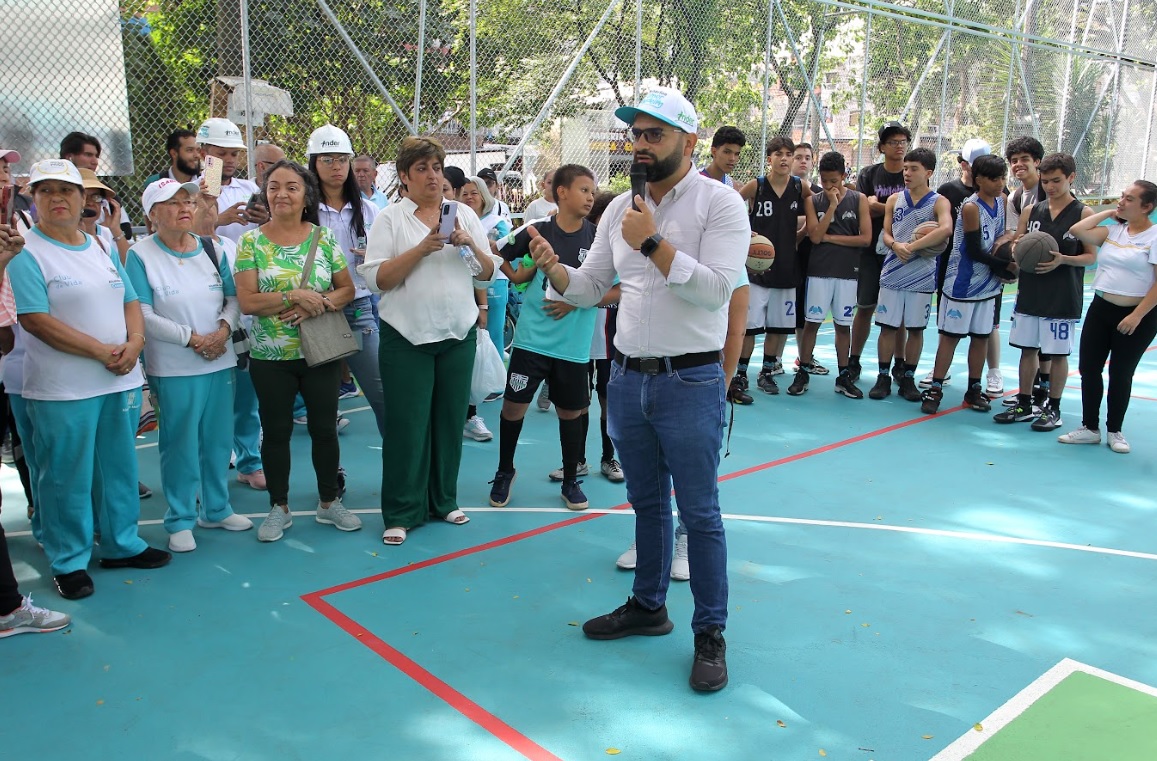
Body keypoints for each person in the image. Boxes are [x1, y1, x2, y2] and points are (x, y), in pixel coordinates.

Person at [531, 87, 748, 692]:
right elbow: (588, 286)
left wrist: (652, 240)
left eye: (655, 134)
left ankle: (710, 632)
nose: (642, 144)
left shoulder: (720, 204)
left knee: (699, 513)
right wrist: (553, 267)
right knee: (648, 503)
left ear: (689, 141)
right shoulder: (614, 210)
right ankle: (648, 605)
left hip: (691, 379)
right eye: (637, 133)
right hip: (626, 378)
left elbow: (713, 290)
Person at [8, 159, 171, 600]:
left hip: (117, 380)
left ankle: (121, 543)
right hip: (62, 388)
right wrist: (101, 351)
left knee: (118, 467)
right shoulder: (26, 251)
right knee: (65, 475)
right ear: (33, 198)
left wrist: (134, 342)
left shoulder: (98, 244)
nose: (57, 199)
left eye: (67, 190)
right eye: (45, 191)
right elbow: (36, 319)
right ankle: (69, 560)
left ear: (84, 199)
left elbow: (131, 300)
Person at [357, 136, 498, 546]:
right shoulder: (390, 219)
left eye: (436, 168)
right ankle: (401, 511)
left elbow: (486, 275)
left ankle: (443, 500)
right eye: (422, 169)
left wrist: (470, 245)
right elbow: (378, 278)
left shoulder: (465, 217)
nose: (433, 176)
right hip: (407, 337)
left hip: (457, 335)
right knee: (406, 426)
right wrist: (422, 248)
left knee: (450, 421)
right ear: (404, 177)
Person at [234, 160, 362, 542]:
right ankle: (279, 507)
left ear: (306, 195)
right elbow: (247, 301)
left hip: (318, 352)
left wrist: (317, 301)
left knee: (325, 429)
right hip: (270, 358)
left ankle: (328, 503)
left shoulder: (323, 240)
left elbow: (347, 290)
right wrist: (293, 294)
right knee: (275, 432)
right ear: (265, 193)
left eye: (291, 186)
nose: (281, 194)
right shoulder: (250, 242)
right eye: (274, 186)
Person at [126, 178, 253, 552]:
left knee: (217, 440)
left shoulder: (212, 248)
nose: (184, 207)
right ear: (152, 215)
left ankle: (215, 509)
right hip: (175, 366)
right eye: (172, 202)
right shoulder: (140, 255)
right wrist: (192, 339)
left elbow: (233, 298)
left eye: (188, 201)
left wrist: (223, 331)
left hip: (219, 359)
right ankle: (179, 518)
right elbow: (142, 313)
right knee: (179, 442)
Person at [487, 164, 599, 511]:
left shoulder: (597, 238)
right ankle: (505, 471)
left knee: (569, 412)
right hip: (532, 340)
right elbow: (496, 252)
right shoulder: (535, 231)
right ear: (561, 192)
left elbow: (617, 289)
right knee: (512, 407)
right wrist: (524, 271)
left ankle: (570, 479)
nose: (590, 197)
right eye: (584, 190)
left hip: (573, 345)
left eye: (593, 191)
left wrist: (574, 300)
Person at [0, 220, 72, 637]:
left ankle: (8, 606)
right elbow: (22, 328)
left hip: (17, 376)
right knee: (42, 461)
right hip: (28, 380)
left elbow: (4, 337)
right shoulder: (30, 249)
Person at [994, 153, 1094, 431]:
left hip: (1063, 295)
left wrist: (1064, 259)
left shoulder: (1084, 213)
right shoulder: (1032, 211)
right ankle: (1025, 403)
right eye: (1046, 181)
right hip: (1030, 292)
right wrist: (1017, 250)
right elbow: (1017, 244)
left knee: (1058, 354)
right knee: (1028, 351)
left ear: (1071, 178)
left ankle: (1054, 407)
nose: (1050, 186)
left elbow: (1090, 257)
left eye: (1057, 181)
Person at [1058, 181, 1157, 453]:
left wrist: (1137, 315)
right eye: (1122, 196)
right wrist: (1109, 212)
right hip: (1101, 309)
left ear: (1147, 207)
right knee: (1090, 369)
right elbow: (1077, 230)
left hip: (1138, 314)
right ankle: (1090, 427)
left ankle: (1115, 430)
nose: (1122, 201)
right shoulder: (1114, 231)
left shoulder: (1154, 236)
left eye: (1129, 199)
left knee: (1121, 372)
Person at [307, 125, 386, 438]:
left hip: (359, 306)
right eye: (327, 159)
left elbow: (387, 260)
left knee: (383, 393)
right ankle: (331, 479)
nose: (336, 166)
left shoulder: (370, 209)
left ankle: (402, 472)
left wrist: (374, 256)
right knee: (323, 403)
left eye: (342, 159)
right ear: (313, 163)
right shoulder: (304, 210)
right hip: (315, 311)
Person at [920, 154, 1013, 415]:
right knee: (950, 338)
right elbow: (974, 251)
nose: (1000, 183)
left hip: (988, 283)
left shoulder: (1002, 200)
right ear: (979, 179)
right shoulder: (971, 207)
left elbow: (1000, 237)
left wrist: (1010, 247)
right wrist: (1005, 265)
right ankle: (935, 388)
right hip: (962, 281)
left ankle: (973, 389)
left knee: (981, 337)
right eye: (994, 178)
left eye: (1003, 177)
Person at [869, 147, 953, 401]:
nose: (907, 172)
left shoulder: (939, 201)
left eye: (913, 168)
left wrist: (912, 246)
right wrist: (896, 245)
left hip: (922, 274)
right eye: (905, 168)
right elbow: (885, 233)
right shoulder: (895, 200)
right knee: (887, 327)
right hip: (893, 272)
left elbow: (946, 229)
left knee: (916, 329)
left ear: (928, 172)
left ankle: (907, 377)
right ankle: (883, 376)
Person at [793, 151, 871, 397]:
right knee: (811, 324)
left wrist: (830, 238)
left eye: (834, 181)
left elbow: (866, 239)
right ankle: (803, 371)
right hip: (819, 272)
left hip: (847, 273)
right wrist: (832, 207)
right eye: (824, 180)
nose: (828, 186)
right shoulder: (813, 200)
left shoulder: (859, 199)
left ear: (844, 176)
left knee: (842, 326)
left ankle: (844, 375)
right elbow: (815, 237)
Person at [737, 137, 811, 397]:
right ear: (769, 158)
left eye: (788, 154)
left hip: (787, 268)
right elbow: (730, 207)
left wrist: (800, 235)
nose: (784, 158)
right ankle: (740, 374)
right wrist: (745, 232)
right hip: (757, 270)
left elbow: (817, 210)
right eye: (778, 154)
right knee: (750, 326)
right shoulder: (756, 186)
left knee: (779, 327)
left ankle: (767, 372)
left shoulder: (800, 187)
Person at [924, 137, 992, 389]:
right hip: (953, 271)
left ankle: (987, 376)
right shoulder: (948, 192)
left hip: (986, 276)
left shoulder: (1000, 196)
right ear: (963, 164)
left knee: (985, 332)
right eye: (976, 165)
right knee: (949, 329)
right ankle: (939, 377)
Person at [850, 122, 910, 384]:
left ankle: (900, 364)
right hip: (871, 253)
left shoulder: (912, 173)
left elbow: (911, 209)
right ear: (882, 147)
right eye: (893, 142)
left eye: (903, 141)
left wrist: (880, 205)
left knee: (900, 313)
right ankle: (853, 361)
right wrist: (889, 206)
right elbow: (864, 207)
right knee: (865, 306)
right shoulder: (869, 174)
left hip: (903, 252)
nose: (899, 146)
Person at [459, 175, 511, 440]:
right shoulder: (453, 220)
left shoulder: (496, 222)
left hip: (494, 283)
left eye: (474, 193)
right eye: (464, 193)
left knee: (491, 335)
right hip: (466, 290)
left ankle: (490, 384)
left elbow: (501, 254)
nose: (469, 197)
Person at [995, 136, 1046, 404]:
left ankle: (1043, 393)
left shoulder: (1051, 192)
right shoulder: (1015, 197)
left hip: (1051, 273)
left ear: (1037, 162)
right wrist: (1006, 253)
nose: (1018, 165)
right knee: (1031, 339)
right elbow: (1014, 234)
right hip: (1029, 275)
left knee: (1046, 340)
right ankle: (1031, 393)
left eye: (1025, 159)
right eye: (1014, 161)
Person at [197, 117, 268, 243]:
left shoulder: (251, 189)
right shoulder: (190, 192)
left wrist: (265, 220)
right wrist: (219, 220)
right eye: (222, 154)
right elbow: (182, 235)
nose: (230, 160)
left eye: (234, 154)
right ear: (203, 154)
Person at [792, 142, 823, 378]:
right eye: (798, 156)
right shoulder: (776, 188)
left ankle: (804, 357)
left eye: (807, 157)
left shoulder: (818, 193)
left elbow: (819, 226)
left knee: (804, 311)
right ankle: (773, 361)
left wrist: (802, 223)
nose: (803, 161)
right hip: (781, 257)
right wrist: (808, 221)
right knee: (779, 313)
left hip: (809, 257)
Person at [78, 169, 130, 262]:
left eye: (96, 197)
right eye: (84, 197)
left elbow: (128, 265)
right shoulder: (63, 235)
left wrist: (116, 230)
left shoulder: (107, 233)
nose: (90, 203)